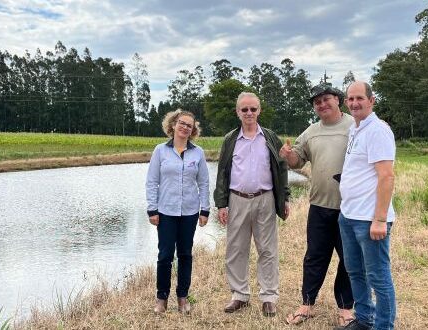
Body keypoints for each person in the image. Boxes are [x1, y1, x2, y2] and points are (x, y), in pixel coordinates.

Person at [279, 83, 355, 326]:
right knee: (314, 257)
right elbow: (296, 160)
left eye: (326, 99)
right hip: (320, 205)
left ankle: (345, 308)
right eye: (317, 102)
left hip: (351, 207)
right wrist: (288, 155)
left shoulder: (355, 126)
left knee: (349, 259)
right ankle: (307, 304)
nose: (322, 105)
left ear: (338, 100)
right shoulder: (311, 131)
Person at [214, 92, 290, 317]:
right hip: (236, 199)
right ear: (238, 112)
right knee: (236, 249)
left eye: (253, 109)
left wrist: (284, 197)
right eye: (244, 109)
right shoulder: (230, 139)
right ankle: (239, 295)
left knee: (267, 249)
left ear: (259, 111)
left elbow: (282, 167)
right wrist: (221, 204)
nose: (249, 113)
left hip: (265, 199)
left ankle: (268, 297)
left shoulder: (270, 137)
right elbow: (223, 172)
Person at [336, 81, 396, 330]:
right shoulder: (355, 129)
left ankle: (384, 326)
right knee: (355, 273)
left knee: (378, 277)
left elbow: (386, 176)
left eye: (359, 98)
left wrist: (380, 218)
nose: (354, 103)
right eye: (350, 99)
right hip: (348, 215)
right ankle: (363, 319)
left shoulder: (377, 130)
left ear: (372, 100)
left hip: (369, 219)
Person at [145, 109, 210, 314]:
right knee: (165, 255)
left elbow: (204, 182)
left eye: (189, 126)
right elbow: (152, 182)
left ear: (193, 131)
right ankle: (161, 299)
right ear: (173, 125)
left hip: (189, 212)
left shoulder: (198, 153)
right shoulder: (160, 151)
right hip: (165, 212)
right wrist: (152, 209)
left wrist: (205, 210)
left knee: (185, 254)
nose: (185, 127)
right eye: (181, 123)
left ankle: (182, 297)